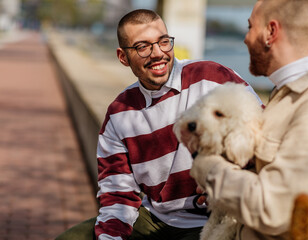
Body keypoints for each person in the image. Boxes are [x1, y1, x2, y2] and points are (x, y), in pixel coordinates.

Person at [56, 9, 261, 240]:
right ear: (123, 57)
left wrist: (227, 177)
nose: (158, 54)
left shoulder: (213, 77)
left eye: (164, 42)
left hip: (212, 219)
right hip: (155, 219)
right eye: (143, 47)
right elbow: (117, 196)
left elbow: (263, 134)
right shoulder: (118, 115)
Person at [189, 0, 308, 239]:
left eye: (250, 28)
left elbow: (274, 209)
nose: (246, 39)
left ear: (271, 32)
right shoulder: (292, 95)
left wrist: (207, 168)